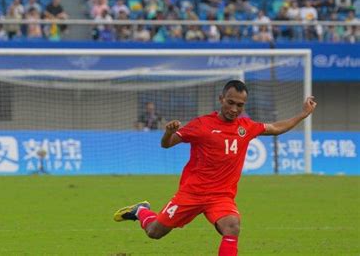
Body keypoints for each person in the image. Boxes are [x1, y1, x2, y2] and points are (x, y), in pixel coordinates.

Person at [114, 80, 317, 256]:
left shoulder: (245, 127)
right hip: (191, 193)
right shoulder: (202, 125)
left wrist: (303, 114)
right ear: (221, 99)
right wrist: (168, 133)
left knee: (232, 227)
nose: (234, 109)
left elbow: (275, 128)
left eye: (240, 105)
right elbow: (166, 144)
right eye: (230, 103)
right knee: (154, 232)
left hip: (221, 197)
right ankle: (140, 210)